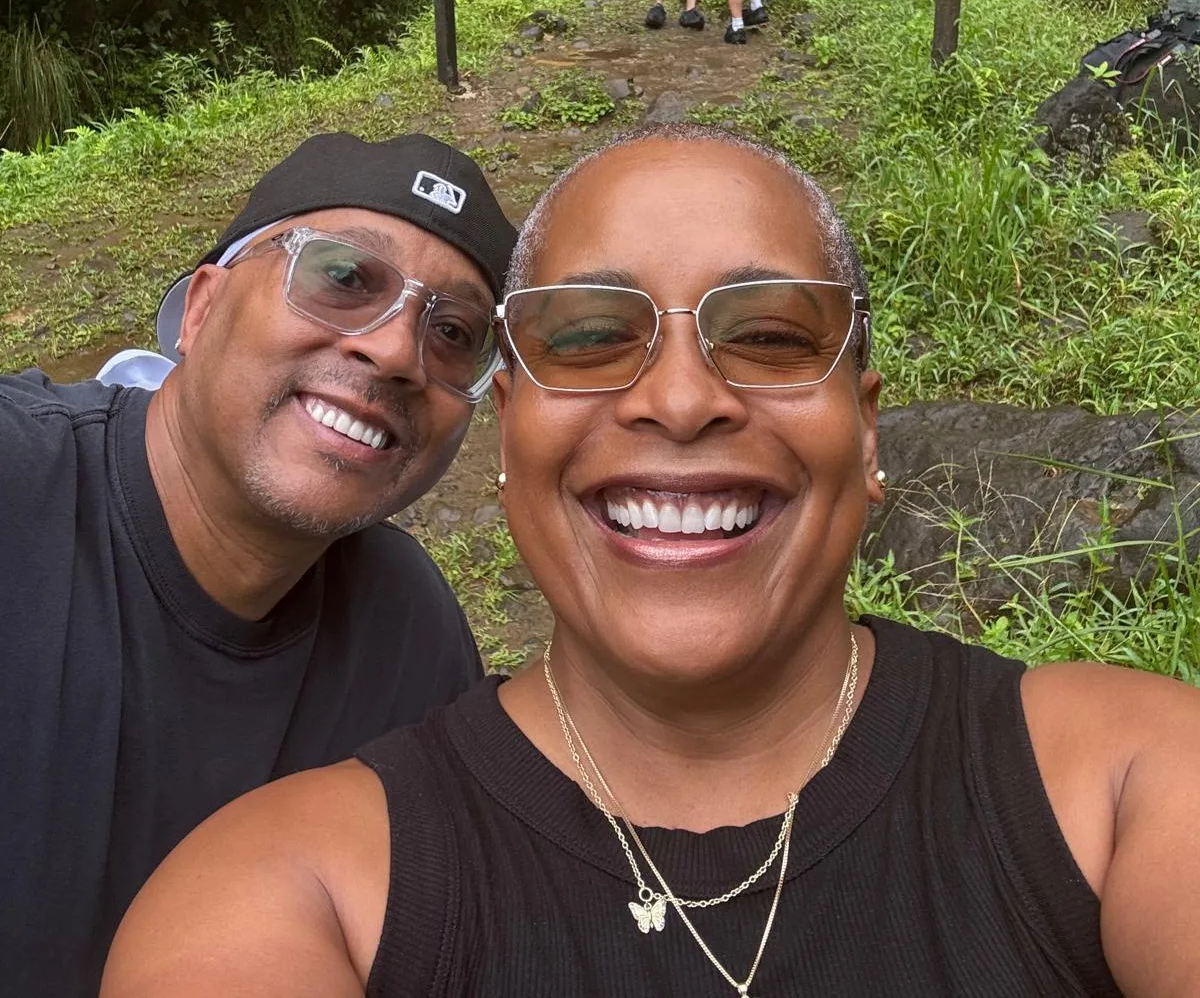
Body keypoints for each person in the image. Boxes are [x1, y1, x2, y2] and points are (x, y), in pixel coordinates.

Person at [102, 125, 1200, 998]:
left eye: (772, 337)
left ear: (867, 435)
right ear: (509, 435)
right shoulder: (288, 890)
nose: (679, 401)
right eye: (587, 338)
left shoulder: (1130, 783)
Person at [2, 130, 516, 998]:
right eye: (345, 277)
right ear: (200, 307)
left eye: (455, 331)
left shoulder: (409, 638)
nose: (395, 351)